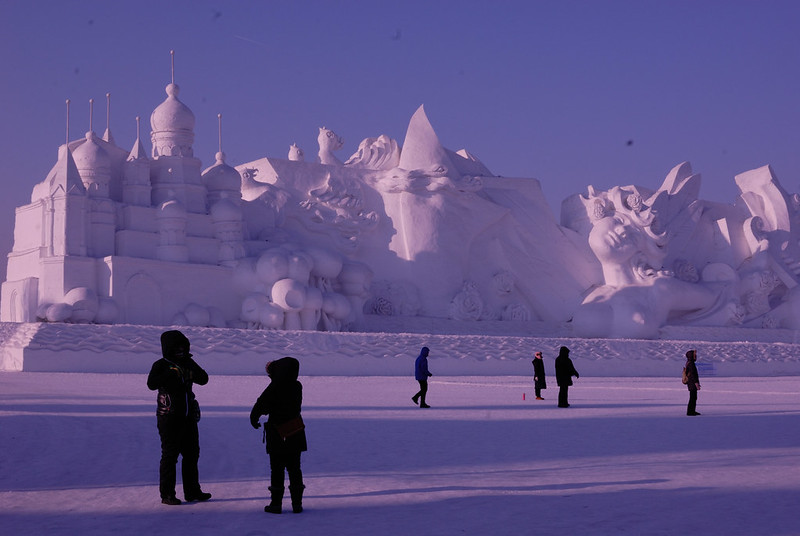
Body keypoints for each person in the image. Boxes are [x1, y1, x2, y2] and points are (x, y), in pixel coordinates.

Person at [147, 330, 211, 506]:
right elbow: (151, 384)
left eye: (183, 347)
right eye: (177, 347)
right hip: (168, 417)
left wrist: (190, 373)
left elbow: (204, 379)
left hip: (188, 416)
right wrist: (170, 375)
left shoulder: (188, 362)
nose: (180, 351)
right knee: (170, 455)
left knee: (192, 454)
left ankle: (192, 491)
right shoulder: (161, 364)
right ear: (168, 348)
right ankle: (167, 494)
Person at [250, 357, 307, 514]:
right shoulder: (297, 386)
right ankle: (297, 504)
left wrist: (254, 418)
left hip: (277, 434)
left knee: (277, 469)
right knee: (295, 469)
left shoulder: (274, 387)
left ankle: (276, 504)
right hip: (295, 432)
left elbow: (261, 405)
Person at [685, 349, 701, 416]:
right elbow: (693, 374)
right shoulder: (691, 364)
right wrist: (696, 383)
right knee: (693, 397)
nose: (696, 356)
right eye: (694, 355)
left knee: (693, 397)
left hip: (690, 383)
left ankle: (692, 411)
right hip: (692, 383)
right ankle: (690, 412)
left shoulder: (689, 362)